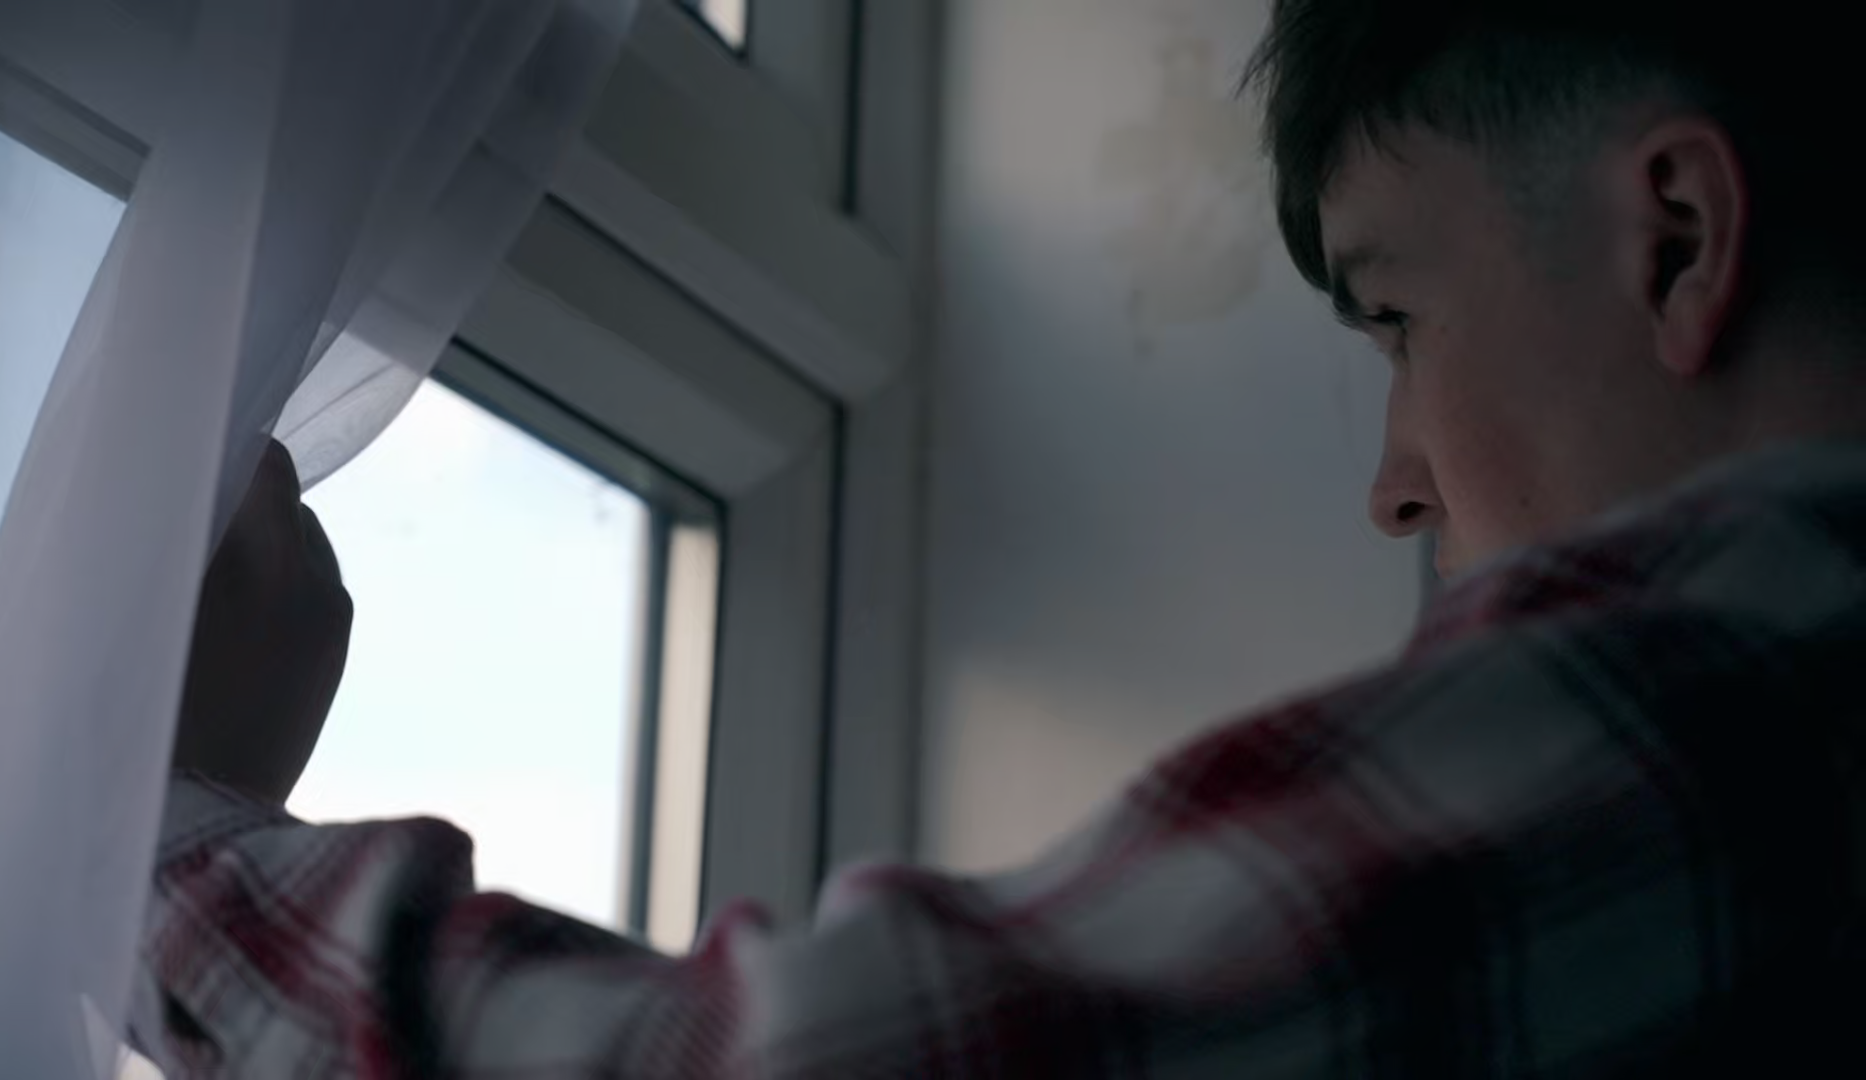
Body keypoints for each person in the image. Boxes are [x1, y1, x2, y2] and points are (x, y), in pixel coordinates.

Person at [142, 0, 1866, 1074]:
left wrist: (167, 838)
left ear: (1674, 237)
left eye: (1401, 322)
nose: (1394, 487)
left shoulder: (1758, 697)